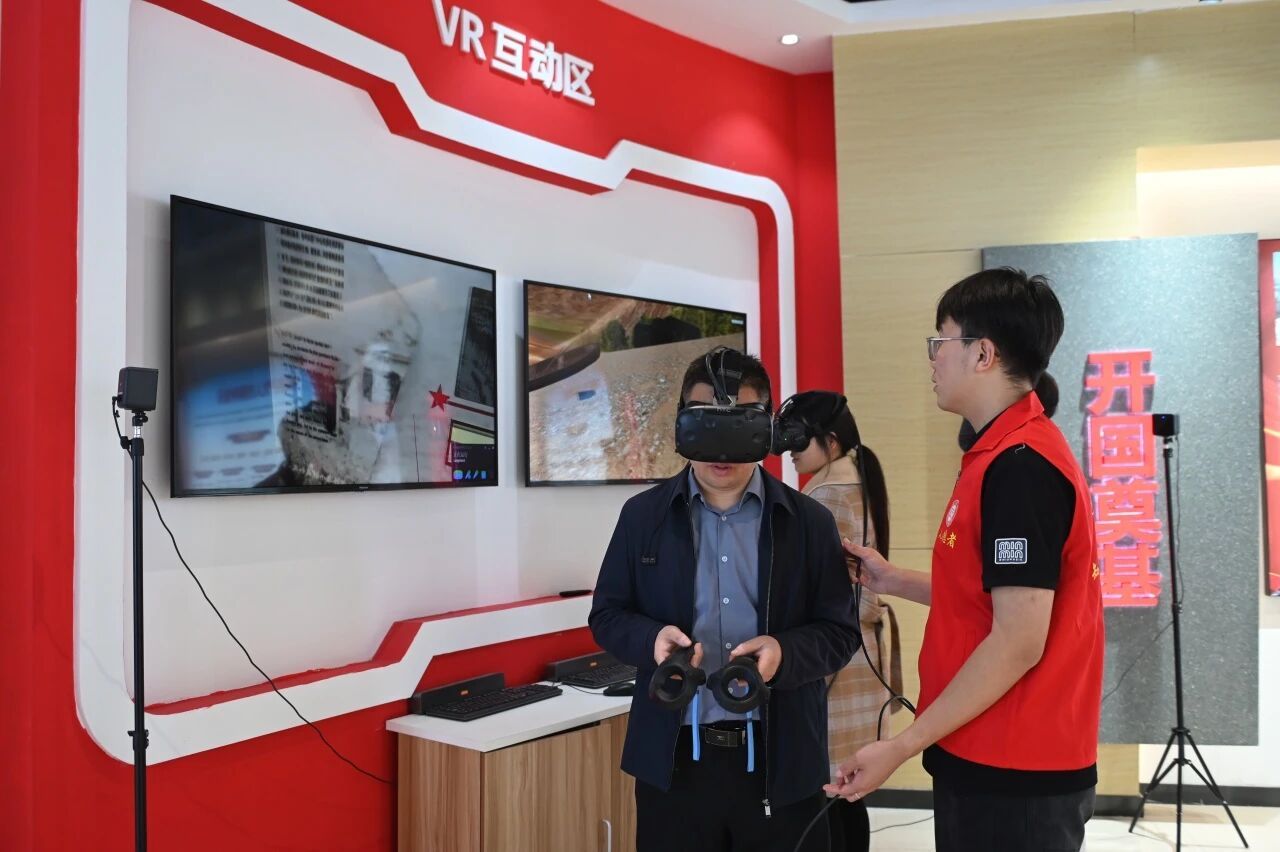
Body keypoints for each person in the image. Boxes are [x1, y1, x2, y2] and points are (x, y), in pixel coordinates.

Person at [826, 268, 1105, 852]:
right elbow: (995, 595)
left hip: (1015, 770)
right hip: (985, 751)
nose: (932, 358)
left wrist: (901, 745)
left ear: (983, 354)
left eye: (941, 341)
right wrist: (893, 579)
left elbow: (1018, 639)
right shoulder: (997, 453)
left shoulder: (1021, 467)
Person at [590, 348, 858, 852]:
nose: (722, 447)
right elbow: (607, 614)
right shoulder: (642, 518)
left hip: (782, 764)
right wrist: (651, 639)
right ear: (681, 426)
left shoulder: (808, 523)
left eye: (739, 425)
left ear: (767, 429)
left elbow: (840, 632)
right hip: (673, 766)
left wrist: (784, 653)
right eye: (705, 423)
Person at [783, 390, 901, 852]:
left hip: (834, 658)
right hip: (860, 651)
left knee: (828, 793)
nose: (789, 450)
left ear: (830, 441)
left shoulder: (826, 495)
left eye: (798, 439)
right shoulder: (857, 481)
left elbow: (807, 588)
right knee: (848, 793)